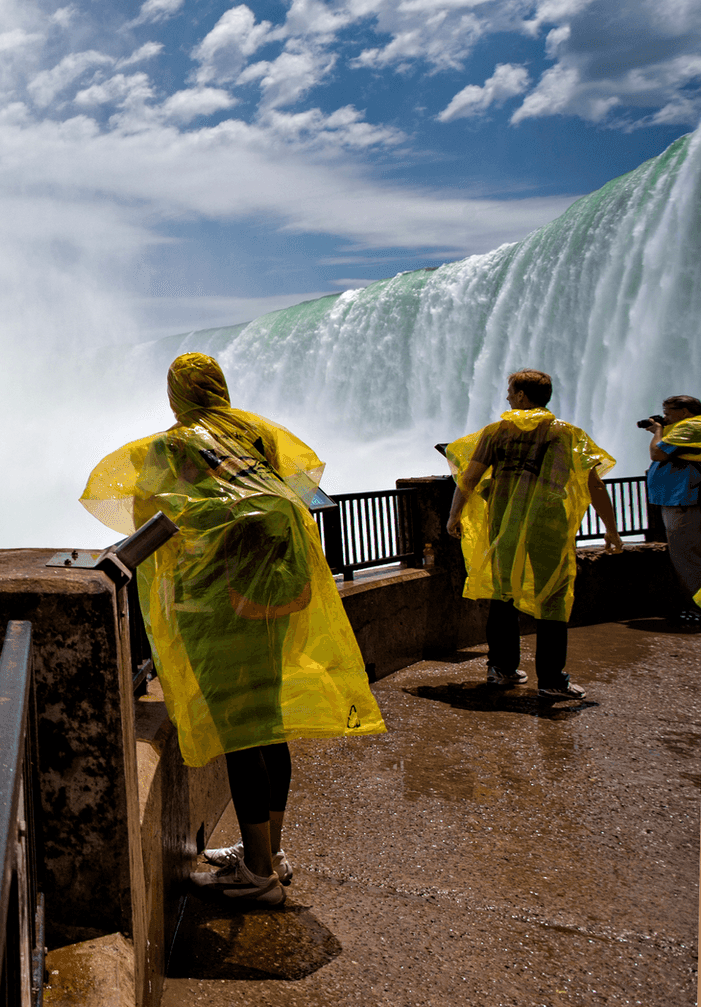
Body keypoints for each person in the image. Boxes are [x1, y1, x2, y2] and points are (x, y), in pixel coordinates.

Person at [81, 353, 385, 907]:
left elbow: (149, 514)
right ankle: (268, 849)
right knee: (267, 722)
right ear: (219, 386)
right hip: (275, 589)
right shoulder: (255, 432)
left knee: (241, 732)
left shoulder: (169, 447)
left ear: (176, 394)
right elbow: (297, 483)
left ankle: (260, 875)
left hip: (215, 602)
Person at [444, 369, 620, 698]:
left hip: (504, 527)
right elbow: (594, 484)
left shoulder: (497, 432)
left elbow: (469, 478)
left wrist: (455, 515)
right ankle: (552, 681)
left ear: (523, 395)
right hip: (547, 526)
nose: (507, 396)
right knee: (553, 599)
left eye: (511, 391)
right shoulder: (567, 434)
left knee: (502, 594)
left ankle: (501, 669)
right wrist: (610, 530)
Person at [645, 395, 701, 603]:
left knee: (687, 557)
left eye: (668, 413)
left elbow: (657, 453)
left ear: (685, 411)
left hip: (684, 500)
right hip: (686, 499)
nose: (665, 417)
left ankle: (697, 607)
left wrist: (657, 431)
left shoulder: (690, 426)